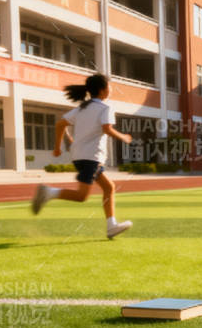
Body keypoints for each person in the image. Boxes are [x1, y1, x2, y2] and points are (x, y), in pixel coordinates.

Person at [30, 73, 135, 239]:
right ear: (103, 90)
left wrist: (59, 146)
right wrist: (123, 137)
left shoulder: (82, 108)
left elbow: (60, 124)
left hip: (81, 156)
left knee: (109, 188)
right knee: (81, 196)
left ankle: (111, 226)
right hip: (91, 157)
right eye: (109, 86)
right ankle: (48, 192)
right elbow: (107, 129)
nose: (111, 89)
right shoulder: (105, 108)